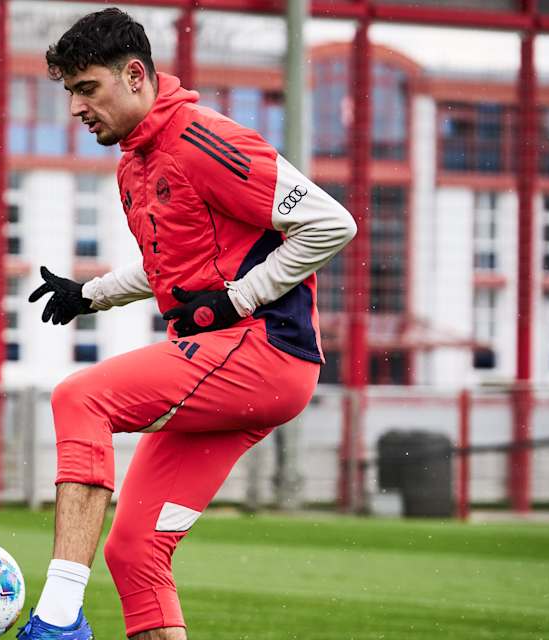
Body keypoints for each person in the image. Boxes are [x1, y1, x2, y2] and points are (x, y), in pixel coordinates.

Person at [18, 8, 356, 640]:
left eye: (86, 89)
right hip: (231, 364)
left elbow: (332, 223)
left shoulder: (205, 139)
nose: (75, 108)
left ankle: (58, 617)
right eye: (69, 93)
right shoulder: (135, 164)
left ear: (136, 75)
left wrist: (243, 298)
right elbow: (175, 269)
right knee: (135, 552)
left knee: (80, 398)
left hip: (260, 355)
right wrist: (89, 295)